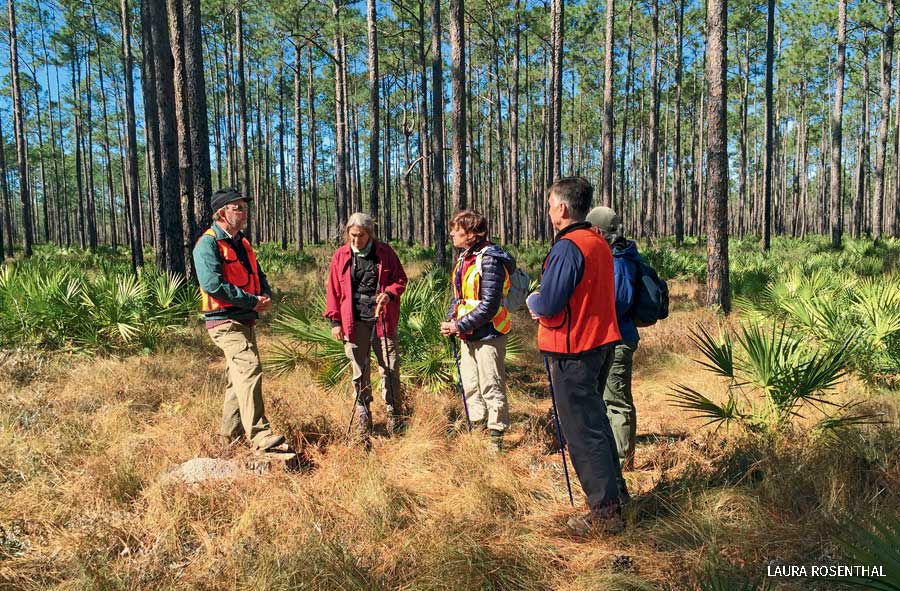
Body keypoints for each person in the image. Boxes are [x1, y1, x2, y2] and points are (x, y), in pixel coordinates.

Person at [525, 177, 628, 535]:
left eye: (551, 204)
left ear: (563, 208)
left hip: (573, 349)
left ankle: (604, 514)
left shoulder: (569, 247)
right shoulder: (597, 241)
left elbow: (550, 302)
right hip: (599, 343)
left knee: (583, 432)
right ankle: (615, 499)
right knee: (596, 425)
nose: (550, 210)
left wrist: (532, 302)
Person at [193, 187, 287, 453]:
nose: (244, 212)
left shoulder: (242, 242)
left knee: (238, 378)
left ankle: (230, 438)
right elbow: (213, 285)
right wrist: (251, 301)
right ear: (222, 213)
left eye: (244, 207)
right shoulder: (207, 244)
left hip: (245, 319)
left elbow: (259, 274)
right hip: (223, 321)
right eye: (238, 208)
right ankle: (260, 435)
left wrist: (265, 295)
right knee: (249, 368)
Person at [325, 212, 407, 440]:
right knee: (359, 370)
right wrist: (335, 321)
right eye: (352, 235)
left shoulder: (385, 252)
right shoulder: (341, 256)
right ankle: (363, 413)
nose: (355, 240)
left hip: (383, 320)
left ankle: (394, 413)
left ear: (369, 233)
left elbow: (400, 280)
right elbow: (333, 290)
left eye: (360, 236)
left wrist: (389, 294)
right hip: (354, 322)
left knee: (389, 368)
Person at [440, 210, 516, 450]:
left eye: (457, 230)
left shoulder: (490, 259)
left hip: (489, 334)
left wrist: (458, 325)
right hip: (467, 334)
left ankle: (496, 440)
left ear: (471, 234)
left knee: (491, 386)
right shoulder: (464, 257)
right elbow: (460, 296)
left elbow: (489, 305)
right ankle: (477, 430)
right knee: (471, 385)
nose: (452, 233)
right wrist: (450, 319)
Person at [587, 206, 641, 472]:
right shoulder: (614, 256)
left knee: (616, 400)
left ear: (600, 231)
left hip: (618, 339)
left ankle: (621, 462)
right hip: (609, 338)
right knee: (607, 397)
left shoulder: (619, 261)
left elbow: (618, 303)